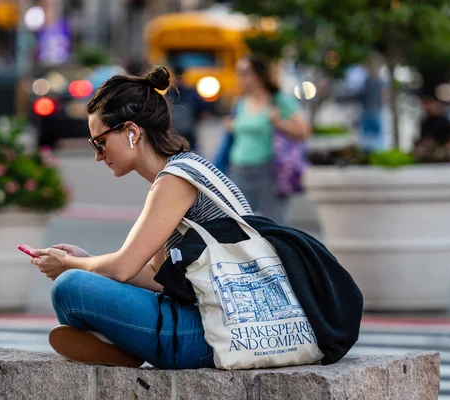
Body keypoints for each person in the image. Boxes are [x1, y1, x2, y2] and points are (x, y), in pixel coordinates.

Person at [26, 65, 255, 369]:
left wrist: (70, 264)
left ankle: (123, 346)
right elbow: (157, 278)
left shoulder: (175, 180)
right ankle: (124, 345)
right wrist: (89, 260)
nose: (97, 155)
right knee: (83, 280)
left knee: (69, 289)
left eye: (100, 142)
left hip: (216, 334)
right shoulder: (186, 168)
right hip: (219, 324)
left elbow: (122, 268)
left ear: (132, 132)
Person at [225, 55, 311, 225]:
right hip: (238, 169)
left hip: (267, 170)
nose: (239, 77)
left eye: (244, 72)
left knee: (275, 222)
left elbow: (304, 131)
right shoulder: (240, 102)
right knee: (239, 223)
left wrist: (279, 123)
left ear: (259, 74)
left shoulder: (278, 101)